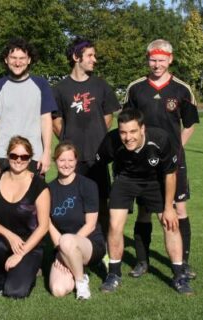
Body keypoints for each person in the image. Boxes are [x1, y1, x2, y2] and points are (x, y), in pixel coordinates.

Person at [123, 39, 199, 279]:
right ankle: (142, 262)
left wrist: (176, 149)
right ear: (147, 59)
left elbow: (189, 124)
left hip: (173, 161)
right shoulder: (136, 88)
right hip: (143, 161)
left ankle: (182, 262)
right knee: (145, 210)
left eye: (161, 60)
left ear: (170, 59)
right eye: (152, 59)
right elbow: (127, 123)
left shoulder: (182, 89)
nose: (156, 64)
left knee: (179, 209)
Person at [98, 109, 193, 295]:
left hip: (154, 182)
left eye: (133, 131)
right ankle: (114, 274)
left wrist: (169, 208)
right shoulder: (111, 140)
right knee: (115, 225)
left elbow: (170, 174)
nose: (127, 137)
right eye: (123, 132)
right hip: (124, 180)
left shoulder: (160, 139)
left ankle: (179, 276)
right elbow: (98, 165)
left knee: (170, 224)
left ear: (142, 129)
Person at [52, 37, 121, 238]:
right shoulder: (59, 89)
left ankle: (104, 246)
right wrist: (70, 141)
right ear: (76, 57)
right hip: (71, 158)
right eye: (90, 55)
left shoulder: (101, 86)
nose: (94, 59)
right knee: (71, 202)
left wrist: (95, 137)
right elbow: (56, 122)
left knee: (100, 201)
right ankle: (70, 242)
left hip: (97, 156)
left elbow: (108, 117)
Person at [0, 136, 50, 298]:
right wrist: (10, 235)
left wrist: (20, 253)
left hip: (30, 245)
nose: (18, 160)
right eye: (14, 156)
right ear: (7, 156)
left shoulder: (39, 185)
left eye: (24, 157)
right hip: (3, 241)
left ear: (30, 158)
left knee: (15, 292)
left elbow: (43, 226)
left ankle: (25, 271)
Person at [0, 38, 57, 177]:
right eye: (13, 58)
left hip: (34, 156)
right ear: (6, 59)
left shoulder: (41, 85)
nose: (17, 62)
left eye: (22, 58)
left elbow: (46, 120)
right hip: (2, 156)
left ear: (29, 60)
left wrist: (46, 153)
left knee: (34, 199)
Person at [48, 142, 106, 300]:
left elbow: (91, 224)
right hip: (63, 246)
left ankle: (81, 283)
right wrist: (60, 251)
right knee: (58, 290)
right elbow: (48, 223)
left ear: (76, 161)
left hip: (90, 244)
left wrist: (67, 245)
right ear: (55, 161)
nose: (66, 164)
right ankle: (79, 272)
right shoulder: (49, 189)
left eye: (70, 160)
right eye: (61, 160)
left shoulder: (88, 185)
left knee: (67, 239)